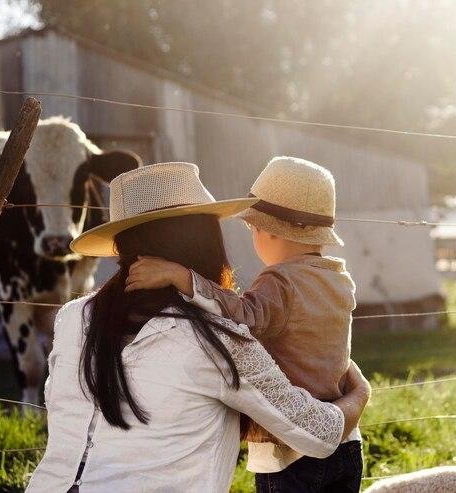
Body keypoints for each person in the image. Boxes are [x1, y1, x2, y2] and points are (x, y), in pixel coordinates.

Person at [26, 162, 370, 493]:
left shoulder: (73, 318)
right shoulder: (215, 341)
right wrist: (359, 394)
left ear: (123, 244)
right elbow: (318, 434)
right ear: (204, 241)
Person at [126, 157, 363, 492]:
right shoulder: (340, 279)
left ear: (265, 231)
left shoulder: (279, 280)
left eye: (252, 228)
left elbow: (244, 318)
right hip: (347, 441)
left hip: (291, 451)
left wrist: (183, 277)